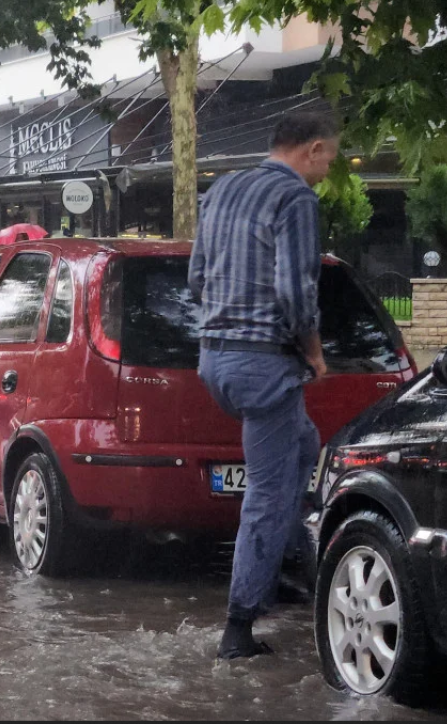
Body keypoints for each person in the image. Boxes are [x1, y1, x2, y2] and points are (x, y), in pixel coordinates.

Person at [188, 113, 339, 659]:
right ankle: (239, 627)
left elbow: (196, 279)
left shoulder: (222, 189)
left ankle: (287, 563)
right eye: (329, 159)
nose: (327, 170)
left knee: (304, 444)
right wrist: (315, 354)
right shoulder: (295, 199)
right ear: (312, 149)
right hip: (265, 368)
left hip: (214, 359)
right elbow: (296, 291)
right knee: (268, 494)